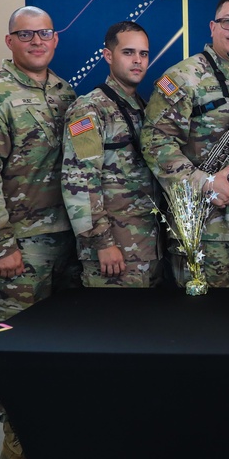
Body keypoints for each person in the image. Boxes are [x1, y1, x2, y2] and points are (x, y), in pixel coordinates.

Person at [0, 5, 80, 459]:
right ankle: (16, 438)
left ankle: (49, 429)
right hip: (18, 249)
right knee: (14, 347)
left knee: (58, 345)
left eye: (44, 33)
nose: (36, 41)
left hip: (64, 244)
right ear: (9, 41)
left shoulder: (66, 92)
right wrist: (1, 245)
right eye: (25, 34)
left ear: (55, 39)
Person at [142, 0, 229, 287]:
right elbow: (155, 142)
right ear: (212, 27)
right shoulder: (183, 76)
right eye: (228, 21)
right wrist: (203, 182)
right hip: (205, 231)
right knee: (204, 326)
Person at [61, 21, 161, 287]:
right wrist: (102, 243)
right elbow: (79, 182)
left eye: (144, 54)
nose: (138, 61)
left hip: (147, 249)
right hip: (113, 253)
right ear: (108, 55)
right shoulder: (89, 109)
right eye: (128, 52)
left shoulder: (144, 108)